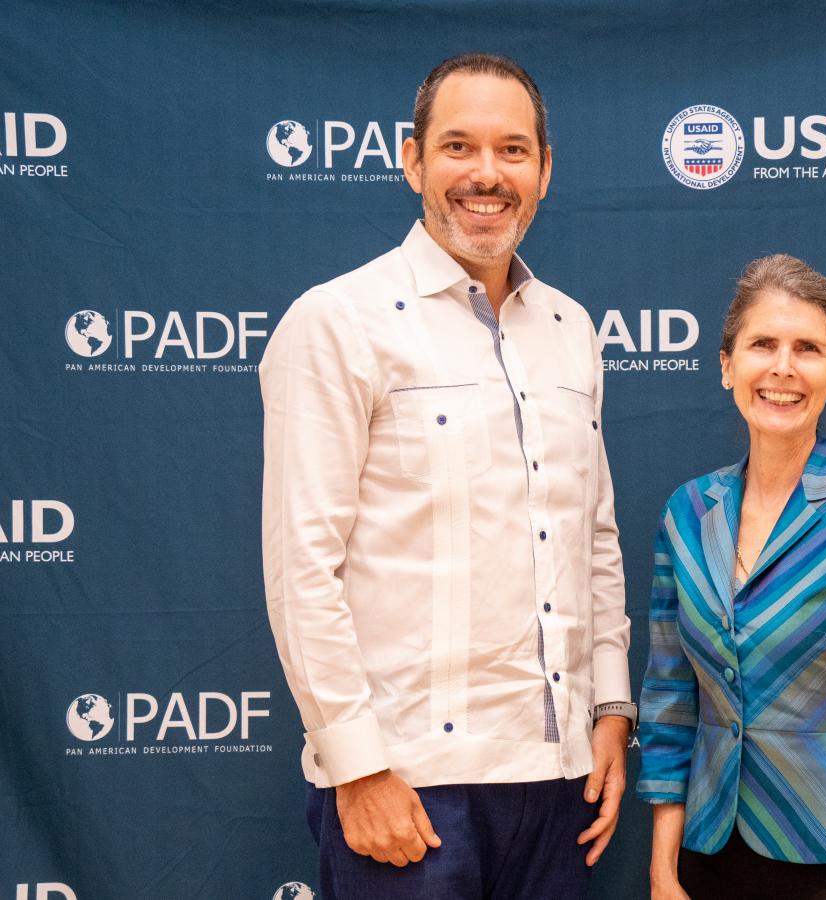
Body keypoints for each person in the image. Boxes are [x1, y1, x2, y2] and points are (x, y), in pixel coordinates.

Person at [260, 53, 634, 900]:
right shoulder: (336, 323)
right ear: (412, 160)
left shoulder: (571, 328)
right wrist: (357, 768)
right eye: (459, 146)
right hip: (408, 788)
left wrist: (611, 712)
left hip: (558, 784)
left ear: (544, 170)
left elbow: (594, 541)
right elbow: (300, 567)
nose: (487, 175)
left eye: (512, 150)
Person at [637, 255, 826, 900]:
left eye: (808, 348)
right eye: (762, 345)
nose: (782, 367)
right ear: (726, 366)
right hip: (709, 852)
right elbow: (669, 702)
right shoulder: (687, 512)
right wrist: (664, 870)